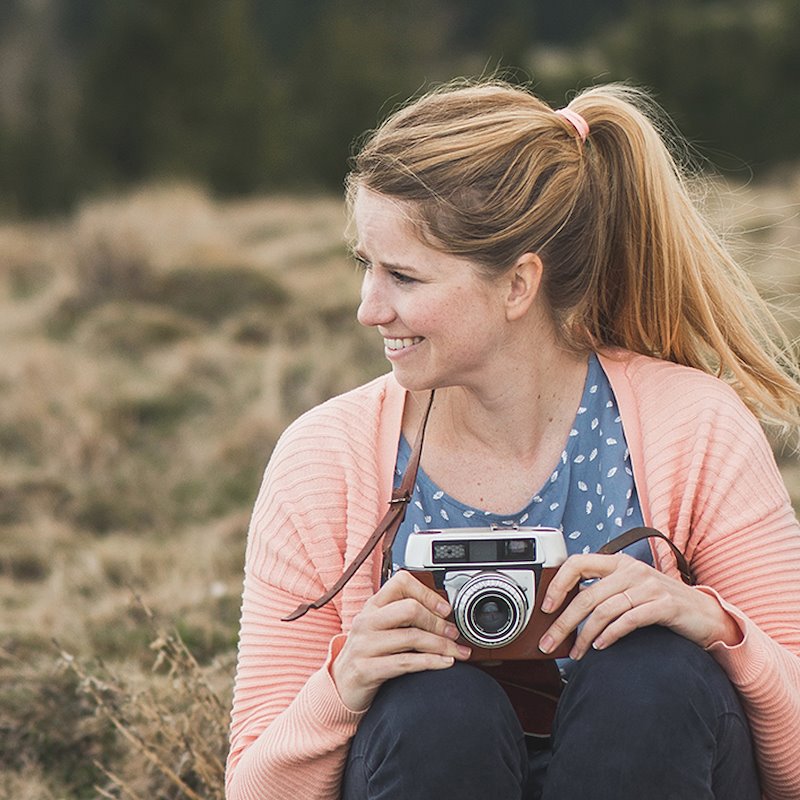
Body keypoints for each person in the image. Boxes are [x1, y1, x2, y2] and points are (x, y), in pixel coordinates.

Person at [225, 80, 800, 800]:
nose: (369, 309)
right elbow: (251, 785)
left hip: (658, 758)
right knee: (433, 707)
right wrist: (346, 683)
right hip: (434, 765)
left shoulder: (695, 427)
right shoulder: (324, 458)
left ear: (518, 284)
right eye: (365, 265)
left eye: (402, 274)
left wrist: (715, 625)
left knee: (650, 676)